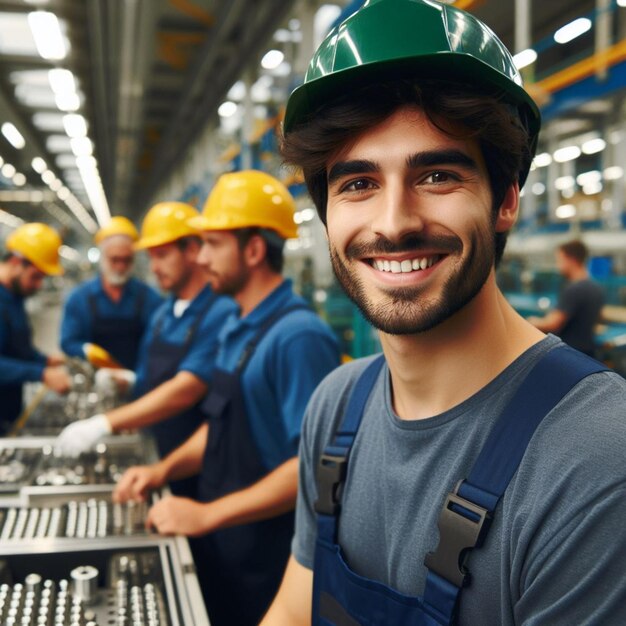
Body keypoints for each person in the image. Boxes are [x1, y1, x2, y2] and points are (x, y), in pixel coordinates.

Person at [262, 1, 626, 625]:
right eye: (357, 183)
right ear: (327, 214)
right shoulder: (335, 410)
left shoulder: (593, 461)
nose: (395, 221)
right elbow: (296, 610)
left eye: (436, 174)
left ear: (505, 199)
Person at [113, 170, 341, 626]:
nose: (201, 258)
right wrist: (163, 469)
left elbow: (313, 470)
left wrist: (206, 514)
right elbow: (218, 424)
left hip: (266, 557)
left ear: (254, 250)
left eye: (213, 245)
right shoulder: (238, 325)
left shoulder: (298, 338)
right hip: (227, 541)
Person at [54, 202, 236, 497]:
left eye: (162, 255)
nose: (153, 267)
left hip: (199, 463)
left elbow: (186, 388)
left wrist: (105, 423)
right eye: (150, 257)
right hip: (156, 447)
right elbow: (147, 373)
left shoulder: (221, 311)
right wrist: (129, 381)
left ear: (192, 251)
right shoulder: (163, 313)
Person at [60, 216, 162, 370]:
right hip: (95, 383)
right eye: (114, 259)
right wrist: (86, 350)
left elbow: (157, 346)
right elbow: (68, 342)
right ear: (102, 256)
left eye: (126, 260)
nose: (120, 266)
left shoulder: (150, 299)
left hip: (137, 381)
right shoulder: (79, 299)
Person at [0, 223, 72, 434]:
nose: (39, 285)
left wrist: (44, 360)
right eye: (35, 276)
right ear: (15, 263)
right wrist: (41, 373)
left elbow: (15, 349)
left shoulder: (14, 299)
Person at [528, 240, 605, 357]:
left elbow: (552, 324)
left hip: (570, 355)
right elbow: (599, 318)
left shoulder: (574, 289)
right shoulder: (597, 288)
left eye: (559, 260)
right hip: (589, 354)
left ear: (571, 260)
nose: (557, 265)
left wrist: (530, 322)